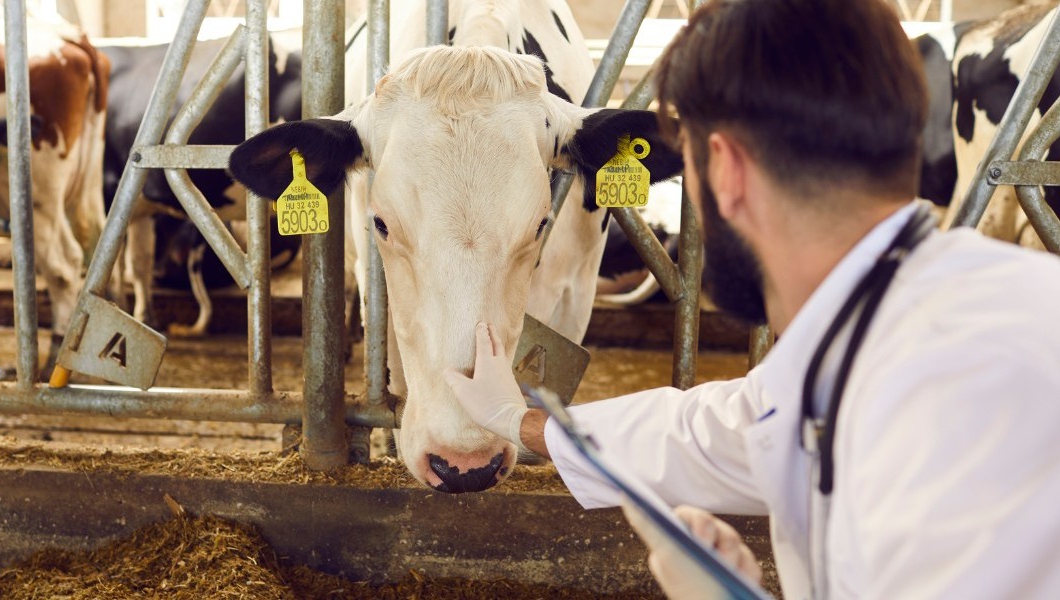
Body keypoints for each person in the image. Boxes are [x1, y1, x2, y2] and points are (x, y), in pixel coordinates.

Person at [444, 0, 1060, 597]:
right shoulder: (889, 326)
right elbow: (719, 430)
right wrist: (519, 421)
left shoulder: (948, 393)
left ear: (726, 170)